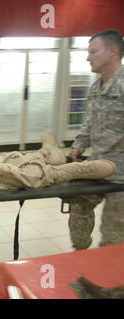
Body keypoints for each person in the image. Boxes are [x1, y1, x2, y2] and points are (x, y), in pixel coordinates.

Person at [67, 29, 124, 250]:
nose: (88, 57)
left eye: (93, 51)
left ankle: (109, 278)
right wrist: (78, 145)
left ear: (112, 51)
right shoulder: (96, 88)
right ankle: (81, 257)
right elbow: (89, 123)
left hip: (122, 176)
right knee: (79, 209)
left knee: (113, 234)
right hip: (98, 167)